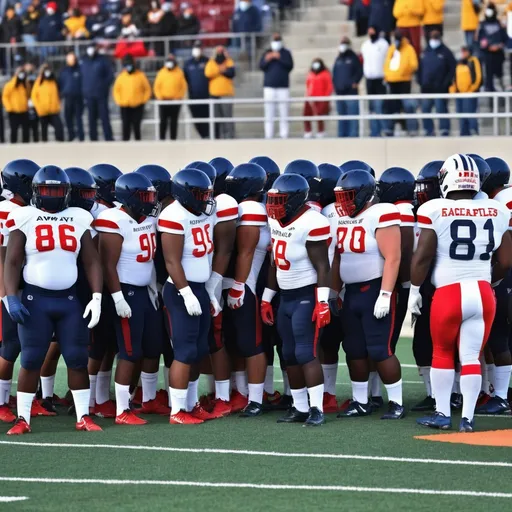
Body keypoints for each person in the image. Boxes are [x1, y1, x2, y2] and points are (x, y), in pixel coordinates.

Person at [410, 154, 512, 432]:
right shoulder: (497, 209)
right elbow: (505, 260)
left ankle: (443, 414)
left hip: (448, 293)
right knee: (471, 356)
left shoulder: (435, 208)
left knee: (442, 353)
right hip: (481, 291)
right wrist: (489, 281)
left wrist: (414, 292)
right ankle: (467, 418)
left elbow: (422, 257)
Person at [4, 165, 103, 435]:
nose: (52, 195)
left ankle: (83, 415)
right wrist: (11, 297)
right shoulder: (23, 216)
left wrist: (97, 296)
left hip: (70, 301)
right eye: (47, 190)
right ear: (36, 191)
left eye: (57, 190)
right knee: (32, 358)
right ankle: (22, 418)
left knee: (76, 357)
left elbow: (92, 260)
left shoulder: (79, 216)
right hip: (36, 299)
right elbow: (12, 261)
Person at [330, 170, 404, 420]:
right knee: (353, 349)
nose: (343, 203)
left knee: (379, 348)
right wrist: (333, 291)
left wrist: (385, 294)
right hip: (351, 292)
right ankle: (361, 401)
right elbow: (338, 258)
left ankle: (396, 402)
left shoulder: (381, 213)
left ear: (364, 194)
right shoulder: (340, 218)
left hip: (374, 290)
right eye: (341, 197)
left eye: (349, 196)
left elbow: (393, 257)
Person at [95, 173, 168, 425]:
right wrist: (117, 298)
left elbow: (148, 260)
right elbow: (107, 265)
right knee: (129, 351)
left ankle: (147, 400)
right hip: (124, 292)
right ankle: (122, 410)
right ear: (129, 197)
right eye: (145, 196)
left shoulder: (147, 218)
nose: (150, 201)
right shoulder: (114, 220)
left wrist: (151, 287)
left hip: (144, 292)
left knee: (152, 346)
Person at [262, 172, 331, 426]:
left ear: (295, 200)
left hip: (306, 295)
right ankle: (299, 407)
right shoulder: (276, 222)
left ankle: (317, 409)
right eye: (272, 200)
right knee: (288, 353)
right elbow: (274, 263)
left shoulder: (312, 221)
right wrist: (267, 298)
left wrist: (323, 302)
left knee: (305, 352)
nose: (273, 206)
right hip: (285, 296)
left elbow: (323, 266)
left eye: (279, 201)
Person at [158, 168, 216, 424]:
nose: (204, 198)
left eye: (206, 193)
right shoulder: (173, 214)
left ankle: (191, 404)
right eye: (199, 194)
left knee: (198, 349)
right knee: (183, 350)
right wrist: (186, 293)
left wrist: (209, 290)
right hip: (181, 289)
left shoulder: (202, 212)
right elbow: (172, 261)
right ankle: (177, 411)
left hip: (200, 287)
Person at [222, 163, 269, 417]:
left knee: (252, 344)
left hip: (246, 284)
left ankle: (256, 399)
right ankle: (240, 393)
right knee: (234, 342)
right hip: (233, 282)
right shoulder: (240, 206)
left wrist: (239, 285)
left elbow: (246, 250)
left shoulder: (251, 208)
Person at [0, 159, 40, 423]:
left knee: (25, 345)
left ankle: (18, 397)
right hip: (7, 284)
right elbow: (3, 258)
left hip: (22, 283)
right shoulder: (5, 211)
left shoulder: (29, 209)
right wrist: (7, 295)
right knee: (10, 344)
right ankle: (2, 401)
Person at [475, 157, 512, 415]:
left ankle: (501, 396)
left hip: (506, 274)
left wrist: (492, 277)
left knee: (499, 337)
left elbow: (505, 250)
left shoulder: (496, 204)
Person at [87, 163, 123, 418]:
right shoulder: (94, 212)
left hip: (105, 283)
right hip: (93, 284)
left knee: (108, 344)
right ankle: (89, 400)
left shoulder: (111, 211)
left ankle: (99, 398)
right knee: (96, 345)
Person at [410, 160, 442, 412]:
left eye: (427, 185)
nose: (421, 190)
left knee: (451, 342)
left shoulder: (450, 210)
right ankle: (434, 395)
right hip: (425, 284)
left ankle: (457, 394)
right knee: (421, 342)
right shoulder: (416, 210)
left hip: (446, 282)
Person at [419, 30, 456, 136]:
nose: (434, 40)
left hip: (440, 88)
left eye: (436, 37)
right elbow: (420, 69)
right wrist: (422, 82)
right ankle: (428, 130)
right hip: (427, 88)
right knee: (425, 109)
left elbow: (452, 69)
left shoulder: (446, 52)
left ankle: (444, 129)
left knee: (441, 109)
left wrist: (445, 83)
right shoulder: (426, 51)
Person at [383, 31, 419, 136]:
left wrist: (403, 71)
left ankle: (412, 129)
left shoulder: (409, 49)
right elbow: (387, 63)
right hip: (391, 82)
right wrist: (388, 75)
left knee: (407, 106)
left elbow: (414, 65)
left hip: (404, 82)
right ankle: (390, 130)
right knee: (392, 107)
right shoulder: (392, 49)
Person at [260, 33, 294, 139]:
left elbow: (290, 66)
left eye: (278, 40)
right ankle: (268, 135)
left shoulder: (286, 53)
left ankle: (284, 135)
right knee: (269, 113)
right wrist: (268, 59)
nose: (276, 42)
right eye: (274, 40)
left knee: (284, 112)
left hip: (283, 87)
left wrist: (279, 58)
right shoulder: (266, 53)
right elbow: (261, 66)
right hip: (269, 87)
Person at [113, 55, 151, 141]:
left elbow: (147, 89)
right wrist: (120, 101)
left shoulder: (140, 75)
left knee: (137, 127)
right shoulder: (121, 77)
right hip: (125, 106)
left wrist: (143, 100)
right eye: (127, 65)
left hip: (137, 106)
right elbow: (116, 90)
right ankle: (125, 148)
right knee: (125, 128)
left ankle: (138, 147)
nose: (128, 67)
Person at [81, 43, 114, 141]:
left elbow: (110, 75)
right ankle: (93, 139)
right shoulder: (83, 61)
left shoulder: (103, 60)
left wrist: (104, 87)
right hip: (89, 94)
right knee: (91, 119)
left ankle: (108, 138)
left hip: (101, 95)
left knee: (104, 117)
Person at [361, 26, 389, 137]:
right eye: (369, 31)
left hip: (380, 79)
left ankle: (385, 129)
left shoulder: (383, 44)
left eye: (373, 31)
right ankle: (374, 131)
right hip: (369, 79)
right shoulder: (365, 45)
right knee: (371, 108)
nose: (371, 33)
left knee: (380, 106)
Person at [332, 36, 363, 138]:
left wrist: (355, 82)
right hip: (340, 93)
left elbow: (359, 71)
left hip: (351, 93)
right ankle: (341, 137)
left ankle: (353, 137)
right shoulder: (338, 58)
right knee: (341, 118)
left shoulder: (354, 58)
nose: (343, 45)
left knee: (352, 118)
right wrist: (335, 86)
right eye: (342, 43)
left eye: (345, 43)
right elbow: (335, 74)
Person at [449, 45, 482, 136]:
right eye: (462, 51)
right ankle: (464, 133)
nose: (463, 53)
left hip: (470, 93)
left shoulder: (473, 61)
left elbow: (478, 76)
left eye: (465, 51)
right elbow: (454, 77)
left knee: (470, 114)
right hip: (459, 94)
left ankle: (473, 131)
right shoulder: (459, 63)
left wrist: (472, 89)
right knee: (461, 114)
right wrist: (454, 90)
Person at [154, 54, 187, 140]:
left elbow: (183, 87)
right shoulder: (161, 72)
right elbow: (156, 87)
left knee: (174, 122)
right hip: (163, 101)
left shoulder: (179, 72)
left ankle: (173, 140)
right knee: (163, 122)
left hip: (175, 102)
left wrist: (178, 97)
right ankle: (162, 140)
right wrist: (160, 97)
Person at [205, 46, 236, 139]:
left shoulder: (229, 61)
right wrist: (220, 69)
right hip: (214, 94)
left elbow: (231, 73)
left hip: (226, 94)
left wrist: (222, 70)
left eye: (222, 51)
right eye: (218, 51)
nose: (220, 53)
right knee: (215, 118)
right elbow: (208, 73)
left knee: (227, 117)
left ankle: (229, 137)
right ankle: (217, 137)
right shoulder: (211, 62)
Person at [31, 64, 64, 142]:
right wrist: (39, 107)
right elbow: (34, 96)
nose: (47, 72)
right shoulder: (39, 82)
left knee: (59, 127)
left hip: (53, 110)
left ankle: (60, 142)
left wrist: (58, 104)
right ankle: (44, 144)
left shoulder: (54, 81)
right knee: (44, 130)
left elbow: (58, 93)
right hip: (43, 110)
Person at [184, 41, 210, 139]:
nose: (197, 50)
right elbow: (185, 78)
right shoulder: (188, 63)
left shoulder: (207, 61)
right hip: (193, 97)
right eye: (195, 47)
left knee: (207, 118)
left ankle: (207, 136)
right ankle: (202, 136)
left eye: (199, 48)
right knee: (196, 119)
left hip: (206, 96)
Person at [478, 3, 507, 92]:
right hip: (488, 55)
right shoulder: (482, 24)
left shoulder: (499, 23)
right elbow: (480, 39)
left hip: (498, 55)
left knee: (499, 75)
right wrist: (488, 47)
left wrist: (499, 46)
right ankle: (489, 90)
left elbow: (504, 37)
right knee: (489, 77)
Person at [303, 58, 332, 139]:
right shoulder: (310, 74)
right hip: (310, 97)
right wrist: (307, 95)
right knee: (306, 114)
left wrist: (325, 98)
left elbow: (329, 86)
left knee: (320, 115)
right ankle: (308, 131)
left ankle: (321, 131)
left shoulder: (325, 74)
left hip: (321, 98)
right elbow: (308, 85)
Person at [58, 51, 84, 142]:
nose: (71, 61)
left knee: (78, 117)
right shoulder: (64, 71)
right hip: (67, 97)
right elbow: (60, 83)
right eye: (69, 59)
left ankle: (81, 136)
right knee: (68, 117)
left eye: (72, 59)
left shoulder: (80, 69)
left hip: (78, 97)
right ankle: (71, 135)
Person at [2, 68, 29, 143]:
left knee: (25, 130)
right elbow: (5, 97)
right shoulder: (10, 85)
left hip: (24, 110)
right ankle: (13, 146)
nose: (21, 75)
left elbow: (28, 95)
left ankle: (26, 146)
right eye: (20, 73)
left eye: (23, 73)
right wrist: (9, 108)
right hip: (13, 111)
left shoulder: (25, 84)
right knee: (14, 130)